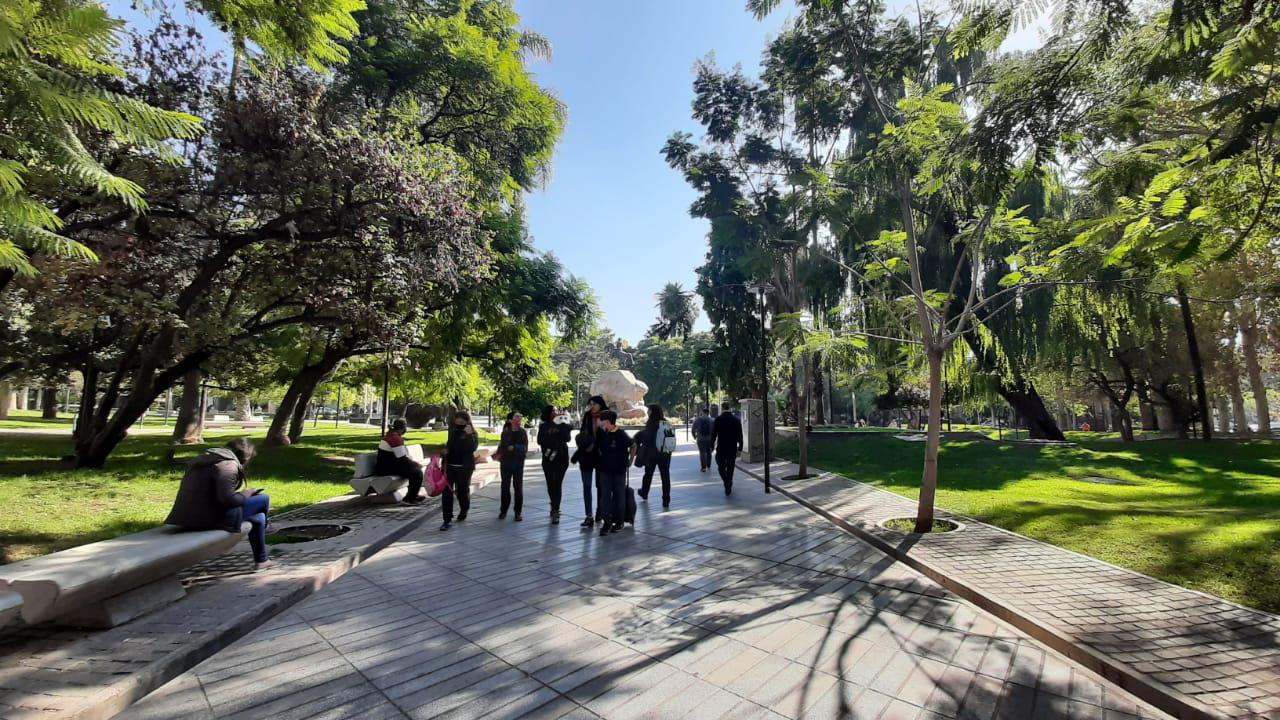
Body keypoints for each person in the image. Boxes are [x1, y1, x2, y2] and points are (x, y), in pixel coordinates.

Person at [165, 438, 273, 571]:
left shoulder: (206, 459)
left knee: (259, 518)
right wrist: (246, 493)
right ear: (246, 456)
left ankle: (262, 560)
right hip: (207, 518)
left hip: (185, 516)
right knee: (263, 499)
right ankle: (267, 528)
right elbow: (227, 500)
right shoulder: (228, 465)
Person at [593, 409, 635, 536]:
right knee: (604, 497)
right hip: (604, 471)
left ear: (608, 421)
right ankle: (607, 522)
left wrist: (630, 461)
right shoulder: (604, 434)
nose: (601, 423)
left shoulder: (621, 434)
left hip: (619, 471)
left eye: (603, 421)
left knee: (619, 496)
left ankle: (620, 522)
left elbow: (633, 445)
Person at [570, 396, 608, 527]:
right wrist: (585, 441)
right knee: (587, 486)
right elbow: (582, 432)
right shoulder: (587, 415)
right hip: (586, 454)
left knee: (601, 486)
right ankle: (588, 516)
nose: (592, 406)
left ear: (600, 405)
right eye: (590, 404)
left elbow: (609, 435)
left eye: (594, 404)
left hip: (601, 455)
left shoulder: (607, 415)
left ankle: (600, 512)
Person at [440, 411, 478, 531]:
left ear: (467, 422)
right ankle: (447, 519)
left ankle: (464, 508)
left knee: (462, 491)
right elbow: (449, 445)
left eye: (462, 421)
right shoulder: (453, 432)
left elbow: (472, 448)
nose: (459, 423)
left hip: (464, 468)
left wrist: (469, 435)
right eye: (457, 421)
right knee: (447, 493)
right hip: (450, 466)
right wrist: (445, 451)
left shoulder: (472, 433)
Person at [376, 418, 425, 505]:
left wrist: (413, 464)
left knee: (415, 471)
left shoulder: (392, 435)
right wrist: (415, 464)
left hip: (388, 465)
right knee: (417, 473)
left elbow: (401, 458)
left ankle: (413, 495)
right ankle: (409, 499)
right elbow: (402, 458)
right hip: (385, 469)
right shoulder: (395, 438)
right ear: (403, 428)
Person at [538, 405, 573, 524]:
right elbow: (540, 440)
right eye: (553, 410)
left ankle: (555, 509)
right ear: (548, 412)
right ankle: (554, 505)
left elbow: (567, 438)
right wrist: (555, 439)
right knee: (550, 484)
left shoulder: (562, 423)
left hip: (561, 458)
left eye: (556, 410)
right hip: (548, 458)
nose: (556, 412)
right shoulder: (544, 426)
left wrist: (562, 422)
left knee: (557, 484)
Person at [636, 404, 675, 508]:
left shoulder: (651, 423)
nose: (647, 412)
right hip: (665, 454)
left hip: (652, 454)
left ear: (652, 412)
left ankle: (644, 492)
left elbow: (646, 437)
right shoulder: (666, 423)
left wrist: (638, 437)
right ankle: (666, 500)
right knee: (665, 477)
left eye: (649, 410)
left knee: (648, 474)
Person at [497, 412, 529, 521]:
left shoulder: (523, 432)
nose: (518, 419)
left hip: (518, 463)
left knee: (518, 488)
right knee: (505, 487)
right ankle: (503, 510)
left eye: (520, 417)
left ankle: (517, 512)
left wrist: (514, 448)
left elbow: (525, 448)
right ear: (510, 420)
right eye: (516, 417)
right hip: (506, 463)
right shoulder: (505, 432)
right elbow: (504, 446)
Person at [711, 406, 744, 495]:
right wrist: (740, 448)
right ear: (730, 408)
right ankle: (729, 480)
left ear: (722, 409)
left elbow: (714, 434)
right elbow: (740, 435)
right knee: (730, 466)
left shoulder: (718, 419)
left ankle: (726, 481)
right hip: (732, 448)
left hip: (721, 447)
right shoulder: (736, 420)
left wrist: (711, 446)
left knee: (720, 466)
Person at [692, 407, 715, 472]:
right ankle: (708, 465)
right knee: (709, 452)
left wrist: (694, 436)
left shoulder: (698, 420)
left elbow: (693, 429)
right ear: (708, 413)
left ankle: (703, 467)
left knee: (702, 453)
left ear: (702, 412)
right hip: (709, 439)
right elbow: (715, 431)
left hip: (700, 439)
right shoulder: (712, 420)